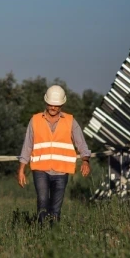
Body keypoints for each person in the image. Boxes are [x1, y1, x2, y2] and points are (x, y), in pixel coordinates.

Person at [17, 84, 92, 224]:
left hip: (61, 172)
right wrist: (21, 169)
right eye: (51, 104)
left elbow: (81, 143)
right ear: (46, 102)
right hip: (40, 169)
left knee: (56, 209)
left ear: (62, 104)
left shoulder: (70, 121)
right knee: (43, 201)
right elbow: (27, 145)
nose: (53, 108)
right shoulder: (35, 120)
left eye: (56, 105)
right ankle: (41, 232)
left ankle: (53, 236)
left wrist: (86, 161)